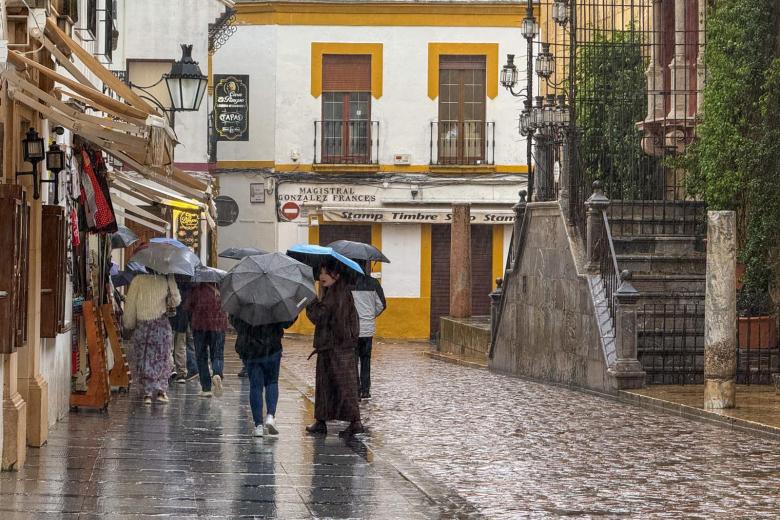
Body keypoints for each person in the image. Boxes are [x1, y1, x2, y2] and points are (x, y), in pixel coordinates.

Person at [305, 260, 363, 437]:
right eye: (320, 272)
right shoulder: (337, 291)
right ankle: (322, 420)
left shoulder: (336, 294)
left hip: (336, 348)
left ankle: (354, 422)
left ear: (336, 275)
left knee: (342, 385)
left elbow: (319, 316)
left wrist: (311, 301)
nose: (321, 276)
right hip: (334, 347)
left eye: (325, 272)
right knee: (328, 385)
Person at [231, 315, 295, 437]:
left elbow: (236, 321)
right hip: (272, 346)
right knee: (272, 382)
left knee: (255, 386)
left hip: (251, 348)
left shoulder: (245, 303)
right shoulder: (275, 303)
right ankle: (270, 416)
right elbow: (287, 323)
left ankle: (258, 426)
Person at [123, 271, 181, 405]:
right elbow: (176, 301)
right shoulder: (165, 280)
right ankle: (161, 391)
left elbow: (130, 305)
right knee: (163, 357)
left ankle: (147, 393)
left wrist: (129, 323)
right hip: (161, 325)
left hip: (142, 326)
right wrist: (171, 280)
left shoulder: (137, 280)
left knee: (144, 358)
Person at [185, 282, 227, 398]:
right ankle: (217, 373)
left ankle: (206, 388)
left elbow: (188, 307)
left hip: (200, 325)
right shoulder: (222, 288)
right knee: (217, 353)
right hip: (218, 325)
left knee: (201, 355)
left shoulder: (196, 289)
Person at [351, 262, 386, 400]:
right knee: (366, 360)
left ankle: (355, 389)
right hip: (368, 329)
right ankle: (365, 390)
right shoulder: (373, 283)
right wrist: (371, 315)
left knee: (353, 361)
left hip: (353, 328)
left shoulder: (349, 284)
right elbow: (381, 305)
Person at [170, 275, 196, 384]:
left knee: (169, 347)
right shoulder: (189, 285)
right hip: (183, 320)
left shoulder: (171, 281)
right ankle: (181, 373)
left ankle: (171, 370)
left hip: (171, 318)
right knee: (181, 347)